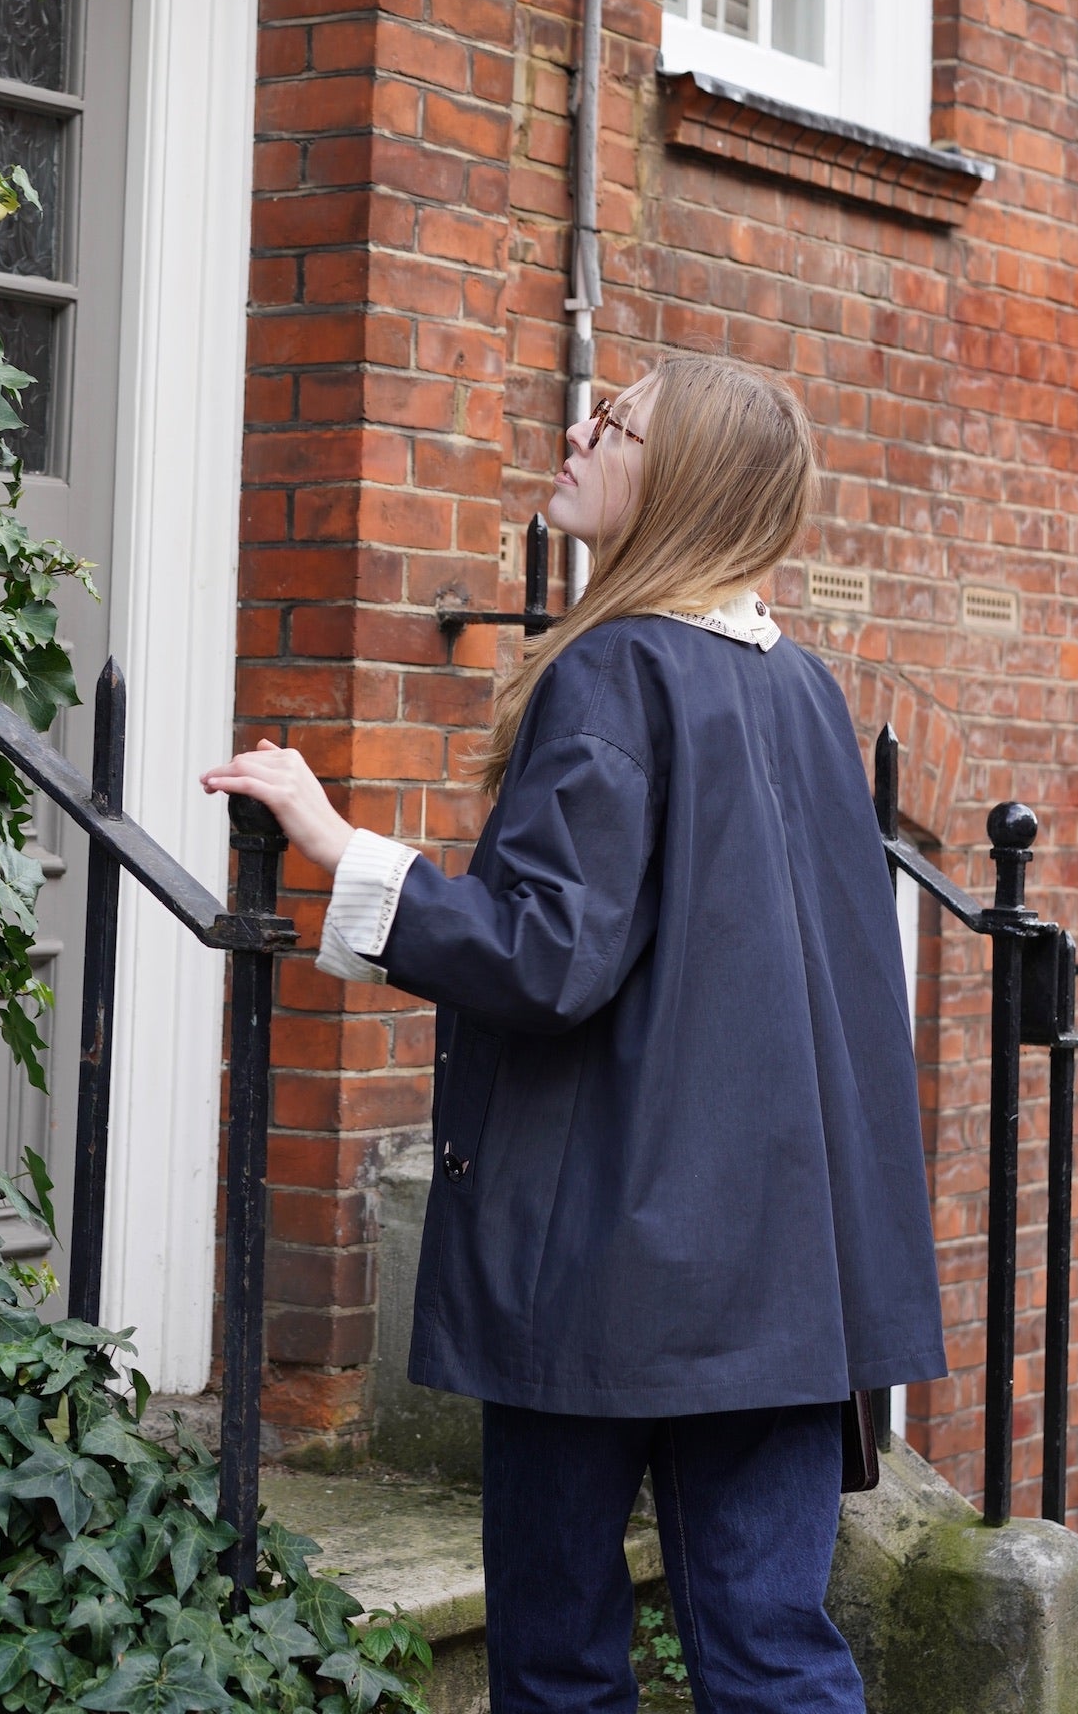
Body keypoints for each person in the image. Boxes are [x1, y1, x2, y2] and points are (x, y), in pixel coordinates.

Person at [202, 353, 945, 1714]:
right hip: (787, 1276)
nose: (574, 434)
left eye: (614, 425)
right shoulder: (804, 693)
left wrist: (340, 848)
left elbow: (550, 956)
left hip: (605, 1261)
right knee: (776, 1656)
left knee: (555, 1658)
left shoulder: (614, 671)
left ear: (686, 482)